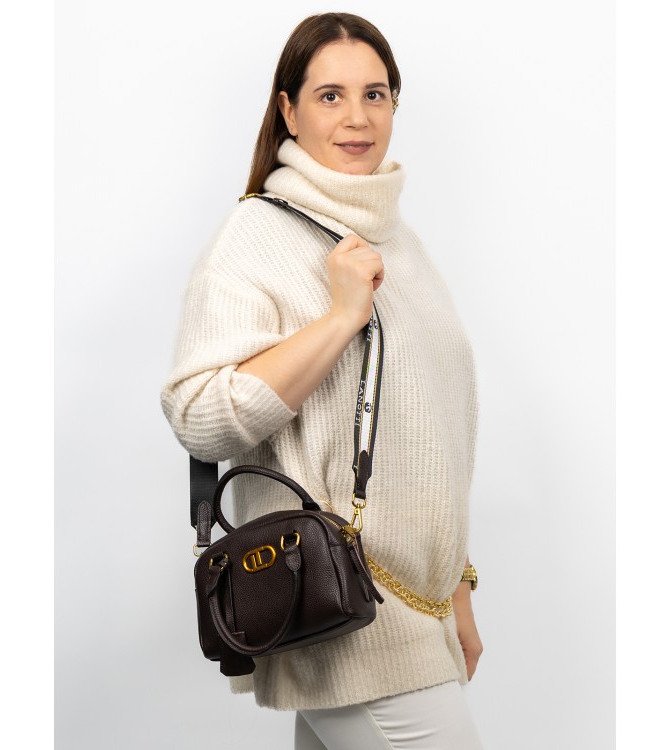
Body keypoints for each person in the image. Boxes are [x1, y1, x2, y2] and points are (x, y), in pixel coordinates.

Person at [161, 12, 484, 748]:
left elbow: (435, 437)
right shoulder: (256, 237)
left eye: (376, 94)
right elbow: (199, 414)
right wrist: (340, 319)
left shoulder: (397, 240)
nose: (358, 117)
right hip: (344, 611)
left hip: (413, 608)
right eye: (330, 96)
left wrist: (456, 589)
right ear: (288, 110)